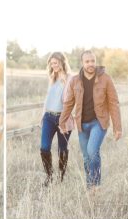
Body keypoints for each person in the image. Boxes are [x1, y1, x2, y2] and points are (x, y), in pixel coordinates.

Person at [59, 50, 122, 192]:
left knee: (92, 151)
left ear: (96, 62)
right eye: (87, 61)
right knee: (87, 158)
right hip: (82, 124)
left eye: (93, 61)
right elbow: (68, 103)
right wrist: (62, 122)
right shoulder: (75, 81)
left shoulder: (106, 79)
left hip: (99, 123)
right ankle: (90, 187)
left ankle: (96, 185)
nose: (90, 64)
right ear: (82, 63)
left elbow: (113, 103)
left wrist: (117, 127)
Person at [40, 52, 74, 187]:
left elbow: (73, 101)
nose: (53, 66)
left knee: (62, 149)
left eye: (56, 63)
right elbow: (48, 98)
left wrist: (64, 119)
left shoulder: (71, 78)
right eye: (51, 63)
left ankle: (61, 176)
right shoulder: (52, 77)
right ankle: (49, 176)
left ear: (62, 62)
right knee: (44, 147)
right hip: (48, 117)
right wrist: (43, 115)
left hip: (63, 118)